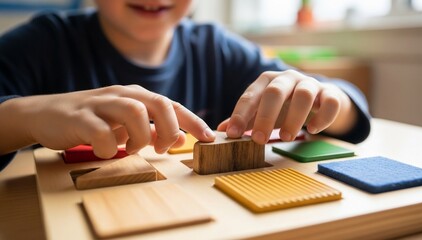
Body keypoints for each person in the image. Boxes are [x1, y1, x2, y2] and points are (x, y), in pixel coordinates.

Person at [0, 0, 370, 171]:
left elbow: (349, 111)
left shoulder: (218, 47)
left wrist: (328, 99)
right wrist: (23, 116)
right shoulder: (42, 43)